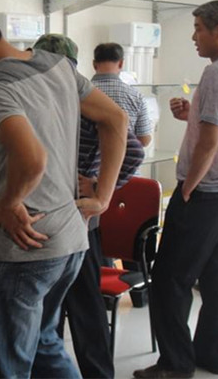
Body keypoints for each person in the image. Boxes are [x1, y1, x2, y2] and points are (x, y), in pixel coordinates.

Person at [0, 0, 128, 378]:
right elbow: (116, 119)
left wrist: (8, 203)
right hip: (71, 238)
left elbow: (33, 158)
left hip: (27, 246)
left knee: (11, 365)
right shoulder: (57, 65)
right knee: (43, 345)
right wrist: (102, 196)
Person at [134, 0, 218, 378]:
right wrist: (193, 114)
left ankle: (175, 363)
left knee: (169, 280)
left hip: (206, 193)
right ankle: (210, 354)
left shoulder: (217, 73)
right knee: (217, 275)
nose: (194, 37)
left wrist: (188, 188)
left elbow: (209, 142)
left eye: (199, 29)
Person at [32, 33, 144, 379]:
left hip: (79, 218)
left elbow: (134, 151)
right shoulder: (50, 98)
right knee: (57, 311)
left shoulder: (83, 100)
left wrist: (98, 187)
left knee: (82, 309)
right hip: (58, 219)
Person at [92, 42, 153, 147]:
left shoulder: (81, 93)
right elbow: (144, 139)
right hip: (125, 155)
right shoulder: (136, 96)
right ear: (121, 64)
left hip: (86, 156)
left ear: (94, 64)